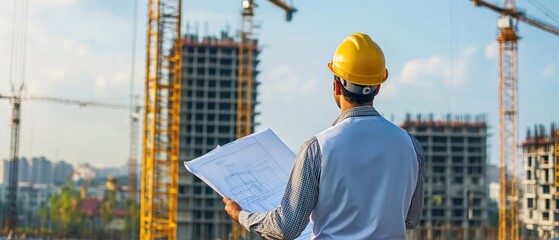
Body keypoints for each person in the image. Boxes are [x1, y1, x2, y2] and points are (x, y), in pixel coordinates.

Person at [223, 32, 424, 239]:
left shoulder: (318, 148)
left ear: (336, 85)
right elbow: (410, 218)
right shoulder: (410, 145)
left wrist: (241, 215)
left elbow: (286, 227)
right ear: (378, 87)